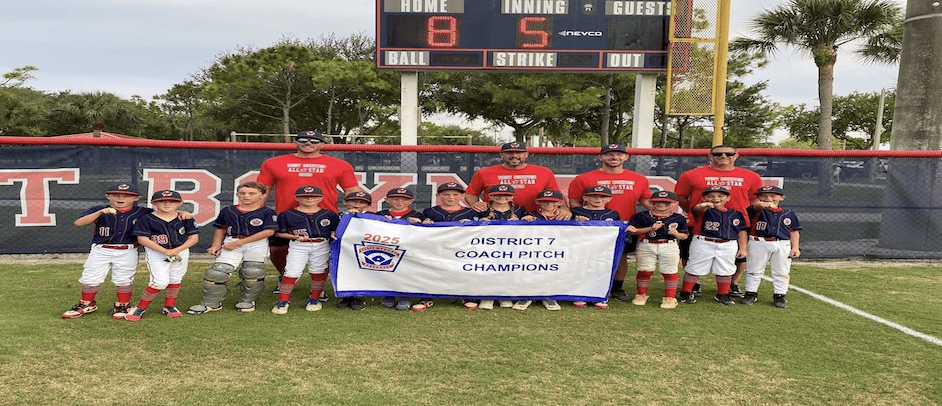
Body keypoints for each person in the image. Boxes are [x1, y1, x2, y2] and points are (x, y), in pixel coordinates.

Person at [257, 130, 361, 298]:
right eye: (303, 139)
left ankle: (318, 287)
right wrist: (256, 212)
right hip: (286, 215)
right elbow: (261, 190)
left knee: (325, 252)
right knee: (277, 249)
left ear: (322, 144)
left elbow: (353, 192)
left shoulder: (340, 165)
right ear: (295, 142)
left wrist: (361, 212)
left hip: (325, 216)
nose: (308, 143)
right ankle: (285, 275)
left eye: (314, 140)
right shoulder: (273, 163)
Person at [675, 145, 762, 298]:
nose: (723, 156)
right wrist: (695, 210)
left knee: (739, 256)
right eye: (718, 153)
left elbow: (754, 200)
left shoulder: (752, 176)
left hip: (736, 223)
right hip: (700, 223)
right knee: (690, 255)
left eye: (728, 153)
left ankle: (732, 283)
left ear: (736, 155)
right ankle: (693, 284)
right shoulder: (691, 175)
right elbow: (681, 197)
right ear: (710, 155)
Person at [568, 144, 653, 302]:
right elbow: (575, 202)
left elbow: (646, 202)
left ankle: (617, 288)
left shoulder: (639, 179)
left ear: (626, 157)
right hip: (593, 227)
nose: (614, 157)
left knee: (621, 256)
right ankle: (584, 286)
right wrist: (585, 220)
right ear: (600, 157)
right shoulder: (584, 178)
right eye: (609, 154)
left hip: (624, 225)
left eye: (619, 154)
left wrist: (663, 215)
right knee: (587, 256)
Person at [188, 182, 277, 315]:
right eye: (242, 193)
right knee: (217, 273)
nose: (246, 196)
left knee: (253, 272)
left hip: (256, 243)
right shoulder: (228, 210)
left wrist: (239, 243)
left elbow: (269, 232)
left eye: (252, 193)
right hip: (232, 240)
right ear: (237, 194)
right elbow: (221, 228)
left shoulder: (267, 212)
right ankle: (211, 303)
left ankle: (248, 301)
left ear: (262, 195)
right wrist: (216, 245)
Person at [63, 183, 149, 319]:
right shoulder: (99, 209)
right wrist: (100, 213)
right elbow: (79, 222)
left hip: (127, 249)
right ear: (108, 196)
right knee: (90, 277)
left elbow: (165, 215)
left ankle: (123, 305)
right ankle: (87, 304)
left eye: (127, 196)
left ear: (136, 198)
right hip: (101, 249)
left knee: (124, 279)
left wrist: (182, 213)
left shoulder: (143, 212)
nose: (121, 198)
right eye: (116, 195)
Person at [125, 190, 200, 321]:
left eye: (172, 201)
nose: (167, 204)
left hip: (180, 251)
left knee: (175, 279)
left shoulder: (185, 218)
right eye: (162, 201)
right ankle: (140, 307)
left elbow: (194, 238)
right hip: (157, 252)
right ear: (154, 203)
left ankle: (169, 306)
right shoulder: (146, 219)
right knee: (159, 282)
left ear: (180, 203)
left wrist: (178, 249)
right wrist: (165, 251)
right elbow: (143, 239)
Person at [271, 186, 340, 314]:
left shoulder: (329, 214)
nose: (309, 198)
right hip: (298, 245)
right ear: (296, 198)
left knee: (318, 271)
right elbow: (278, 233)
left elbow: (334, 230)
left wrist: (333, 234)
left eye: (313, 196)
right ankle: (283, 301)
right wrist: (294, 236)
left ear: (321, 198)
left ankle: (314, 299)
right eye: (304, 196)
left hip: (321, 244)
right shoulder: (287, 214)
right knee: (292, 272)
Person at [678, 186, 748, 306]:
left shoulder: (736, 214)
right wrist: (703, 205)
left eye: (720, 196)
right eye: (710, 196)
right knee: (695, 267)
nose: (715, 198)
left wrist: (743, 248)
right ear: (703, 198)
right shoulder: (703, 210)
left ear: (728, 198)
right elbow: (696, 209)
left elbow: (741, 231)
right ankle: (686, 292)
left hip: (728, 243)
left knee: (725, 269)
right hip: (704, 241)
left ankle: (722, 294)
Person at [464, 141, 568, 216]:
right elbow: (471, 193)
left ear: (526, 154)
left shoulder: (544, 172)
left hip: (534, 218)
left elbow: (556, 193)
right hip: (497, 218)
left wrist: (564, 208)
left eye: (519, 152)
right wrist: (475, 204)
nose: (514, 156)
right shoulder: (484, 173)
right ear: (501, 155)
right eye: (509, 153)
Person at [422, 182, 482, 310]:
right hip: (436, 248)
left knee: (463, 270)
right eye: (446, 194)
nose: (451, 197)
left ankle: (466, 296)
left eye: (456, 194)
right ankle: (427, 296)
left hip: (461, 249)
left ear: (462, 196)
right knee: (432, 270)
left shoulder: (470, 212)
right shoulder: (430, 211)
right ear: (438, 196)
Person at [741, 186, 802, 308]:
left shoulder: (788, 213)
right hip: (758, 241)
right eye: (764, 196)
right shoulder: (756, 210)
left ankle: (780, 295)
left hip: (782, 243)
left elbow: (794, 231)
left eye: (773, 196)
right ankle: (750, 293)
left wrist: (795, 247)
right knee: (754, 269)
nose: (768, 198)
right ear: (758, 198)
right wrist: (760, 205)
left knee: (781, 271)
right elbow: (752, 209)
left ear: (781, 197)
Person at [626, 191, 689, 309]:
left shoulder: (678, 218)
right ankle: (641, 294)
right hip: (646, 244)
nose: (661, 205)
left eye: (666, 203)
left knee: (669, 271)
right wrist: (650, 228)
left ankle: (670, 297)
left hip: (669, 245)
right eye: (658, 202)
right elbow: (632, 231)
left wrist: (676, 234)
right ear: (651, 202)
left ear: (673, 203)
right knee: (645, 270)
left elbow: (685, 235)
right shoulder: (642, 216)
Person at [570, 185, 621, 310]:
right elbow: (566, 231)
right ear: (585, 197)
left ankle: (600, 296)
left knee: (602, 271)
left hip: (603, 250)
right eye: (593, 196)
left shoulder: (613, 214)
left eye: (603, 197)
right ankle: (580, 294)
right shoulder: (576, 212)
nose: (598, 199)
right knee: (581, 269)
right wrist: (577, 223)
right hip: (582, 248)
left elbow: (618, 232)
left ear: (609, 199)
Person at [374, 188, 424, 311]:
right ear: (386, 200)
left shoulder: (418, 215)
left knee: (406, 272)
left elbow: (425, 234)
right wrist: (380, 222)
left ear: (411, 201)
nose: (400, 202)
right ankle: (388, 295)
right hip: (386, 249)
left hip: (408, 250)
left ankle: (404, 297)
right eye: (395, 199)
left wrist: (419, 223)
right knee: (387, 270)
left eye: (404, 199)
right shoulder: (380, 214)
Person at [517, 189, 567, 311]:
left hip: (557, 250)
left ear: (560, 202)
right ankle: (527, 295)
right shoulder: (531, 215)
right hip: (534, 251)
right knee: (531, 271)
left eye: (553, 202)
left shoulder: (566, 216)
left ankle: (549, 296)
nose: (549, 204)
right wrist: (524, 221)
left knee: (552, 272)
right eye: (544, 202)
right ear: (537, 202)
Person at [477, 184, 523, 311]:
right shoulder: (482, 209)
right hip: (487, 246)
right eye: (497, 195)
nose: (502, 197)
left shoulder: (519, 209)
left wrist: (523, 220)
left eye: (506, 195)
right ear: (490, 196)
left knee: (507, 269)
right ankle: (487, 296)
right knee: (488, 268)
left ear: (512, 197)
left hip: (511, 246)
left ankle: (504, 295)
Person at [336, 191, 373, 310]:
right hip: (344, 249)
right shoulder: (339, 215)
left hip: (364, 248)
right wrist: (348, 216)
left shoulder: (373, 216)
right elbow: (333, 230)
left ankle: (358, 297)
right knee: (344, 271)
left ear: (368, 205)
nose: (357, 204)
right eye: (353, 201)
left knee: (361, 272)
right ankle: (346, 296)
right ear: (345, 202)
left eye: (362, 202)